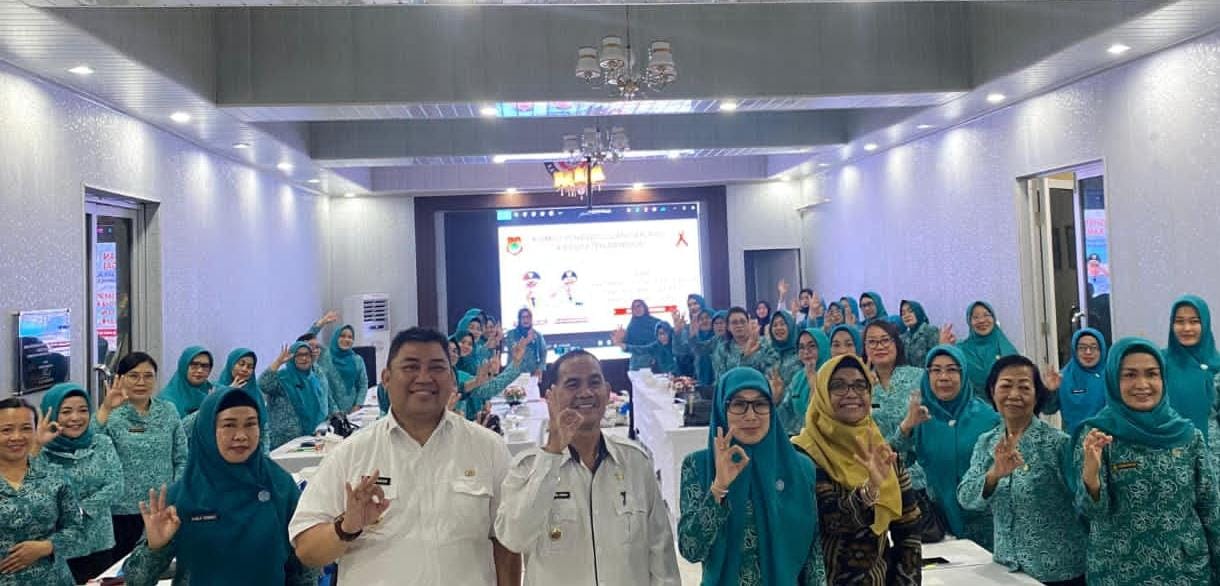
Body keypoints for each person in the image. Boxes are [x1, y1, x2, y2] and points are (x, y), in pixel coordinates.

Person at [289, 328, 520, 585]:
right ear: (386, 378)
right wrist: (346, 528)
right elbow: (306, 550)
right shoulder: (351, 453)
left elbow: (507, 541)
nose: (424, 378)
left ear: (452, 379)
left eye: (436, 368)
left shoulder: (488, 448)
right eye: (411, 367)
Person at [495, 350, 680, 585]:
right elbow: (514, 538)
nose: (586, 393)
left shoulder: (635, 462)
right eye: (573, 384)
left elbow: (661, 553)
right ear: (551, 396)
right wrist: (552, 453)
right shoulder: (526, 468)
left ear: (607, 391)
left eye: (594, 382)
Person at [122, 386, 318, 586]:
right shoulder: (182, 497)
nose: (241, 435)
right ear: (207, 430)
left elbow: (305, 566)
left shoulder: (280, 486)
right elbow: (136, 580)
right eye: (229, 425)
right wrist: (155, 549)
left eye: (250, 424)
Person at [1073, 337, 1220, 585]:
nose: (1142, 384)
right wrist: (1091, 475)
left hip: (1185, 572)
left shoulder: (1187, 435)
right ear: (1114, 380)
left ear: (1163, 379)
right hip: (1119, 572)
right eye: (1129, 375)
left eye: (1152, 374)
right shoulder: (1098, 436)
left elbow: (1211, 508)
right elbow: (1091, 514)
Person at [678, 368, 825, 585]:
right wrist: (718, 487)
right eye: (739, 405)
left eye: (760, 404)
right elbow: (691, 550)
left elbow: (813, 555)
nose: (750, 415)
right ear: (721, 409)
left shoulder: (799, 468)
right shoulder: (698, 466)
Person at [793, 354, 922, 585]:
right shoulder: (803, 455)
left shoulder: (883, 453)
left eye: (860, 385)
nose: (851, 393)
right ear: (821, 394)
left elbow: (909, 532)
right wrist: (869, 491)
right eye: (838, 385)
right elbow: (830, 521)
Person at [958, 356, 1086, 585]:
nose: (1014, 395)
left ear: (1037, 395)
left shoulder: (1058, 444)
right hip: (1006, 569)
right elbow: (966, 498)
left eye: (1024, 387)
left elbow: (1085, 502)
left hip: (1057, 572)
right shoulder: (987, 442)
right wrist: (993, 475)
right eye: (1006, 386)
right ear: (992, 391)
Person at [892, 345, 999, 549]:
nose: (943, 377)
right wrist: (906, 427)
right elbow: (894, 462)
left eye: (951, 370)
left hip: (984, 525)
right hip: (939, 526)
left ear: (963, 374)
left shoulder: (988, 418)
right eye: (936, 370)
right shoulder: (920, 416)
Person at [94, 352, 189, 562]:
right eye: (133, 376)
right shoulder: (111, 414)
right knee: (123, 570)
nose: (141, 382)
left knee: (160, 566)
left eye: (148, 376)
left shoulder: (168, 411)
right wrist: (106, 408)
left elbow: (182, 457)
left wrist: (176, 493)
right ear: (120, 379)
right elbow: (90, 449)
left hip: (162, 508)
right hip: (122, 511)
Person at [29, 384, 123, 583]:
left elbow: (115, 485)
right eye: (66, 412)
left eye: (83, 410)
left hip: (100, 541)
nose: (76, 418)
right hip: (59, 547)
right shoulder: (40, 451)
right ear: (51, 414)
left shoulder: (102, 443)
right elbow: (28, 488)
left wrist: (80, 509)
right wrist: (37, 445)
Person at [863, 321, 939, 542]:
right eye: (872, 342)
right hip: (877, 480)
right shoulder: (861, 386)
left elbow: (931, 425)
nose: (879, 346)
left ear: (896, 343)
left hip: (918, 481)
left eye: (885, 340)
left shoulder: (918, 378)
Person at [0, 397, 85, 585]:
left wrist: (47, 546)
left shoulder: (54, 477)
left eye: (26, 428)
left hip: (53, 579)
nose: (17, 437)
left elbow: (78, 531)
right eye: (6, 430)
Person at [1162, 295, 1220, 456]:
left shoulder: (1217, 366)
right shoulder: (1159, 363)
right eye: (1179, 321)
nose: (1186, 328)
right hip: (1169, 450)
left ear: (1205, 324)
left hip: (1212, 453)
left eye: (1194, 321)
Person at [260, 342, 332, 450]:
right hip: (283, 441)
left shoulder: (314, 378)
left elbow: (322, 404)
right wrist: (278, 362)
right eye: (299, 355)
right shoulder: (282, 377)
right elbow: (263, 384)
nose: (304, 358)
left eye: (307, 354)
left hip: (311, 439)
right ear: (292, 358)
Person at [942, 301, 1019, 398]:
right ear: (969, 322)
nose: (982, 320)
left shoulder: (1006, 348)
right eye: (975, 317)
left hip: (1006, 403)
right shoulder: (960, 350)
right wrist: (944, 349)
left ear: (993, 319)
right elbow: (946, 375)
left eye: (986, 315)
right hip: (971, 405)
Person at [1041, 328, 1108, 436]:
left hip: (1106, 440)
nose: (1088, 352)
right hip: (1073, 441)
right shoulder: (1063, 377)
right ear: (1074, 351)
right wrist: (1050, 391)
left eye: (1093, 347)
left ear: (1102, 350)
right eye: (1082, 348)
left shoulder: (1111, 376)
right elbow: (1047, 410)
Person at [773, 328, 829, 436]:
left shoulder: (833, 376)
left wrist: (814, 386)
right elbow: (784, 414)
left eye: (812, 346)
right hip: (798, 437)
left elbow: (823, 417)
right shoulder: (798, 378)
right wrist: (776, 399)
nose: (806, 352)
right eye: (801, 347)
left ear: (822, 347)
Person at [215, 348, 269, 454]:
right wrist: (228, 390)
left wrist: (265, 455)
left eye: (250, 367)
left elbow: (263, 428)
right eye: (241, 364)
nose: (245, 369)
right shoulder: (216, 390)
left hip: (252, 451)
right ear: (231, 364)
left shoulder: (256, 393)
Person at [712, 307, 777, 380]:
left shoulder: (765, 344)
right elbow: (721, 379)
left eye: (742, 321)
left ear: (748, 323)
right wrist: (745, 357)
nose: (739, 325)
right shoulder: (723, 349)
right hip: (732, 386)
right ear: (728, 327)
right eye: (734, 322)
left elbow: (772, 372)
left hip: (760, 385)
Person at [319, 324, 370, 414]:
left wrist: (358, 405)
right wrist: (320, 323)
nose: (346, 340)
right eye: (342, 336)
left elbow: (363, 383)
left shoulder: (357, 360)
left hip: (353, 412)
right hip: (329, 412)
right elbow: (324, 388)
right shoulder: (324, 357)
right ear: (335, 337)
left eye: (350, 337)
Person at [159, 347, 215, 418]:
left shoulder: (214, 391)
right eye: (194, 365)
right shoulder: (166, 400)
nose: (200, 370)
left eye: (205, 366)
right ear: (184, 366)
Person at [505, 307, 547, 378]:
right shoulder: (511, 334)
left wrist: (540, 369)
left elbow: (543, 353)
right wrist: (527, 340)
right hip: (513, 375)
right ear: (519, 320)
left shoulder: (537, 335)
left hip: (532, 374)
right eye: (523, 317)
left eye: (528, 317)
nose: (526, 320)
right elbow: (513, 349)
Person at [623, 300, 663, 371]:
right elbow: (627, 346)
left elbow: (663, 341)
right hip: (637, 363)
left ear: (644, 307)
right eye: (634, 308)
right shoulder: (631, 326)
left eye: (639, 306)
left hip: (655, 361)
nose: (637, 309)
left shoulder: (656, 322)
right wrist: (621, 339)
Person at [898, 300, 940, 367]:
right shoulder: (903, 337)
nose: (906, 316)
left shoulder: (930, 331)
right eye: (903, 314)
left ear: (918, 312)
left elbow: (936, 358)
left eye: (910, 311)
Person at [768, 310, 802, 382]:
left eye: (782, 324)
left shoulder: (801, 354)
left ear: (791, 326)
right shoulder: (768, 353)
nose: (778, 328)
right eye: (775, 325)